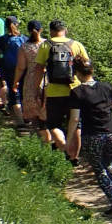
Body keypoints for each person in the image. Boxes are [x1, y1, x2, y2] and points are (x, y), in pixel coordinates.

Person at [65, 60, 112, 217]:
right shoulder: (107, 87)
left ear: (77, 73)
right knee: (108, 164)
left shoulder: (76, 92)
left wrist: (68, 141)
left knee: (99, 169)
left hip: (93, 136)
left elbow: (75, 119)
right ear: (92, 70)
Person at [33, 19, 89, 151]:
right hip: (75, 90)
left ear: (51, 31)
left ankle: (63, 144)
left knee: (53, 125)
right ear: (65, 30)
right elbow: (86, 66)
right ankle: (74, 158)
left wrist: (36, 89)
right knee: (76, 126)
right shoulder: (76, 45)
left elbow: (38, 69)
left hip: (54, 92)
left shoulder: (46, 46)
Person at [11, 19, 47, 133]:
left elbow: (21, 67)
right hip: (47, 78)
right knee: (45, 107)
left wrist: (15, 81)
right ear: (41, 30)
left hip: (31, 79)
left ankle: (38, 134)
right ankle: (49, 136)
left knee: (33, 110)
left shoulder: (24, 47)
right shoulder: (47, 44)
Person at [0, 17, 27, 126]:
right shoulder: (24, 38)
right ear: (16, 24)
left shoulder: (1, 39)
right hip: (23, 68)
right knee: (24, 92)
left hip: (8, 69)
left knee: (14, 93)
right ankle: (26, 116)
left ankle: (20, 121)